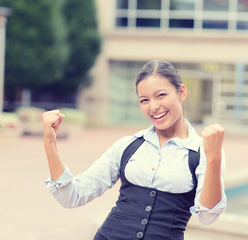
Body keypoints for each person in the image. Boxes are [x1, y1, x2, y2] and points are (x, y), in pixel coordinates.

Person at [42, 60, 227, 240]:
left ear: (181, 92)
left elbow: (208, 216)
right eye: (144, 100)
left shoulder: (204, 152)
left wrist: (214, 158)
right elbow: (73, 195)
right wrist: (50, 143)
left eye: (161, 95)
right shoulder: (127, 146)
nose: (153, 107)